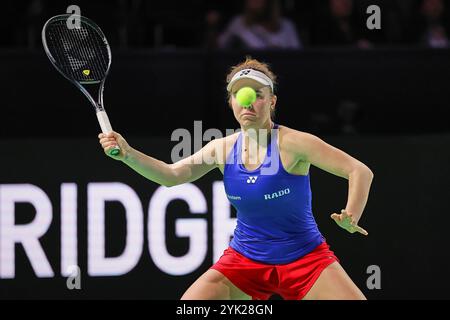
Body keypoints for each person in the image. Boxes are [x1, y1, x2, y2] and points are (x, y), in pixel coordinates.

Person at [98, 57, 373, 300]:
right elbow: (172, 175)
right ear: (231, 102)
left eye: (257, 94)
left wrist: (352, 214)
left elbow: (359, 170)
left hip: (305, 260)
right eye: (240, 95)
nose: (248, 102)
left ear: (272, 101)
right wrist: (128, 154)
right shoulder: (222, 149)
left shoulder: (294, 143)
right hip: (245, 261)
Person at [217, 0, 302, 49]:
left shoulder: (287, 25)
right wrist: (212, 27)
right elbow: (219, 47)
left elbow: (297, 56)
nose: (255, 2)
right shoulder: (238, 23)